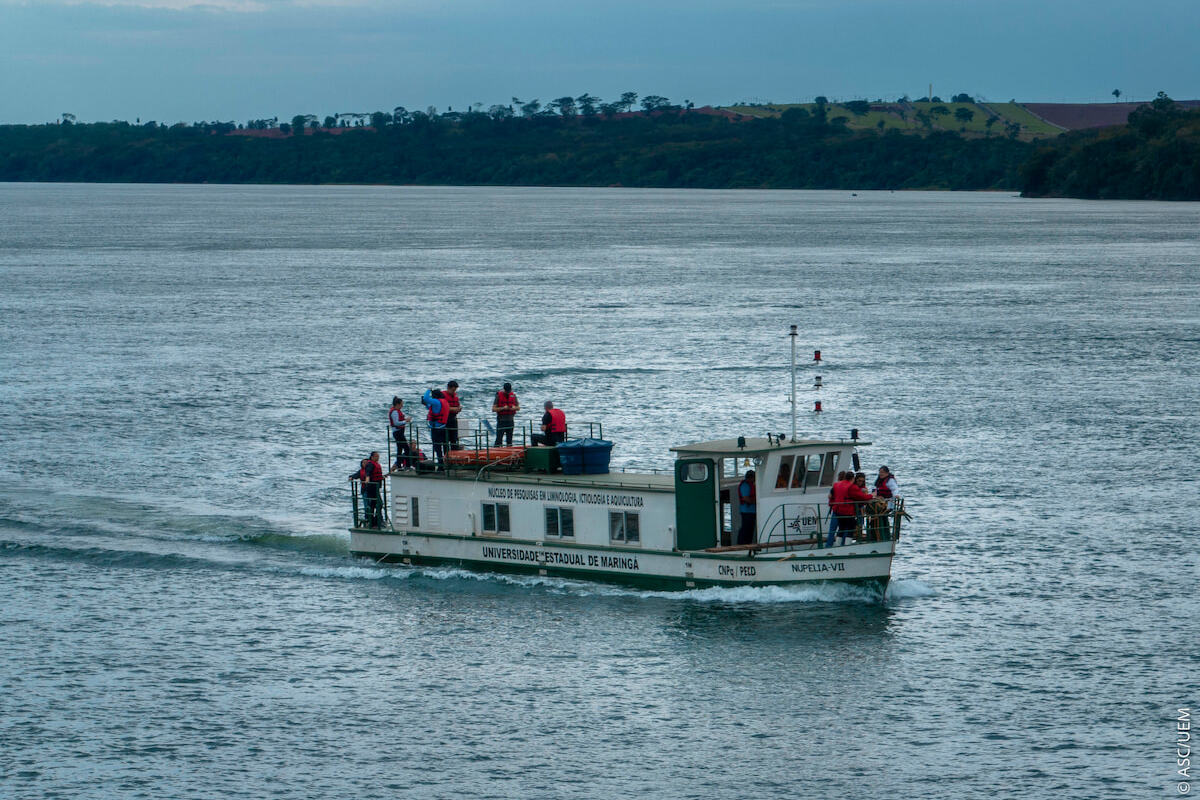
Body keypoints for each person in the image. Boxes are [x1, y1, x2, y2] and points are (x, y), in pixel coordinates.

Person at [829, 471, 874, 546]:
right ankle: (847, 545)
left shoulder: (837, 484)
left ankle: (837, 545)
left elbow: (831, 496)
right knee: (851, 527)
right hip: (847, 511)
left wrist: (831, 504)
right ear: (853, 478)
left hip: (837, 510)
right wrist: (872, 495)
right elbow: (862, 497)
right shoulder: (851, 487)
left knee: (841, 528)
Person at [422, 388, 450, 468]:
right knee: (444, 445)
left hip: (436, 428)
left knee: (437, 447)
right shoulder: (444, 402)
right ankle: (446, 462)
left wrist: (428, 390)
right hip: (443, 427)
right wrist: (426, 405)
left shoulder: (436, 401)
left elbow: (426, 398)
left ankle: (440, 463)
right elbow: (434, 409)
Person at [358, 451, 385, 528]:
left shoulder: (375, 464)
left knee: (373, 504)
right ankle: (375, 519)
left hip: (376, 487)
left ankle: (374, 520)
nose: (378, 458)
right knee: (379, 503)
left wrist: (381, 477)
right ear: (372, 457)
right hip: (372, 487)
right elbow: (368, 473)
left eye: (378, 456)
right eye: (376, 456)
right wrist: (367, 479)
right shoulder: (370, 464)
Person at [492, 382, 520, 446]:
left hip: (510, 420)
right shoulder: (498, 395)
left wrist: (513, 408)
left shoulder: (513, 395)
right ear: (504, 389)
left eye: (509, 391)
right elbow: (493, 409)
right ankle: (496, 451)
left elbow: (518, 407)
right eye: (507, 391)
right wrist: (503, 408)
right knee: (499, 439)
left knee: (509, 439)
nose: (508, 392)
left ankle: (509, 451)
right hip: (501, 420)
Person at [389, 397, 412, 471]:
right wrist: (405, 421)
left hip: (399, 432)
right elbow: (396, 423)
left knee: (400, 449)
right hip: (398, 432)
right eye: (401, 404)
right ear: (397, 404)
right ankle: (407, 465)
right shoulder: (394, 412)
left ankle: (399, 465)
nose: (402, 406)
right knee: (406, 448)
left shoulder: (397, 411)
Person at [737, 470, 757, 545]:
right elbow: (745, 498)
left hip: (752, 511)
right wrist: (756, 502)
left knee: (750, 530)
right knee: (745, 530)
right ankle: (742, 545)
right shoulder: (745, 485)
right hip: (746, 512)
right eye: (753, 477)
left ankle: (748, 544)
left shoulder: (752, 485)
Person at [444, 381, 462, 451]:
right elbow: (443, 407)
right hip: (445, 420)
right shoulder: (442, 396)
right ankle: (446, 455)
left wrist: (458, 408)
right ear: (448, 388)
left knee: (454, 439)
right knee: (445, 440)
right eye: (453, 390)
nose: (454, 392)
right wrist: (453, 409)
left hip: (453, 419)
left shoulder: (455, 396)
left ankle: (454, 454)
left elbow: (458, 405)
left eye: (455, 390)